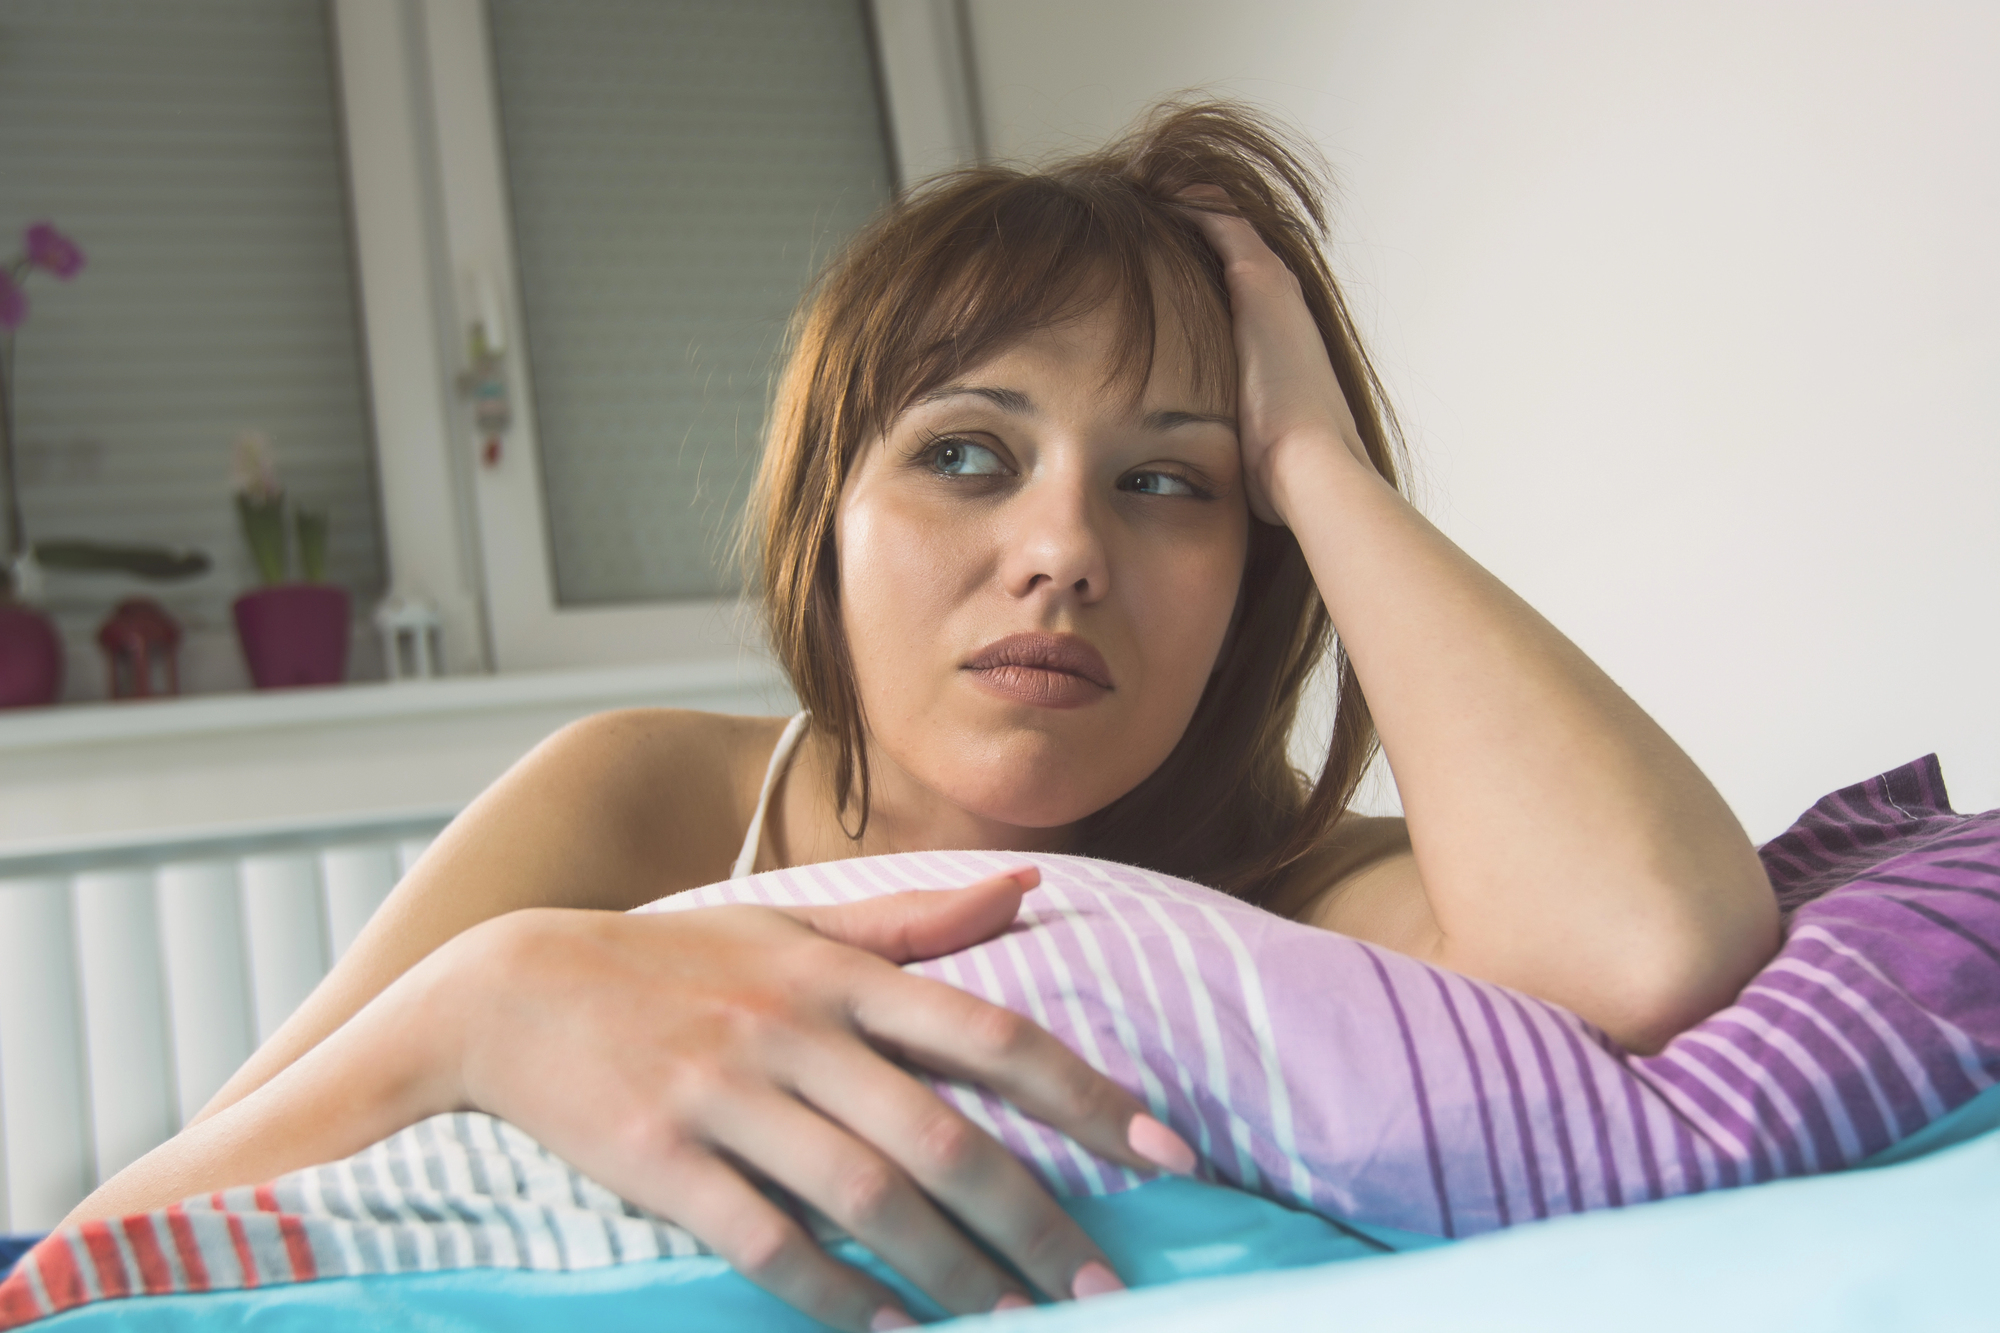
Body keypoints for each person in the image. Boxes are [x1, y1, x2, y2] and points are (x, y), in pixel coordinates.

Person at [67, 102, 1779, 1331]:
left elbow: (1651, 948)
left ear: (1257, 567)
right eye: (967, 453)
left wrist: (1315, 456)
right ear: (829, 516)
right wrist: (487, 996)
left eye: (1171, 481)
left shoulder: (1297, 880)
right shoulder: (643, 799)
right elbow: (111, 1239)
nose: (1062, 553)